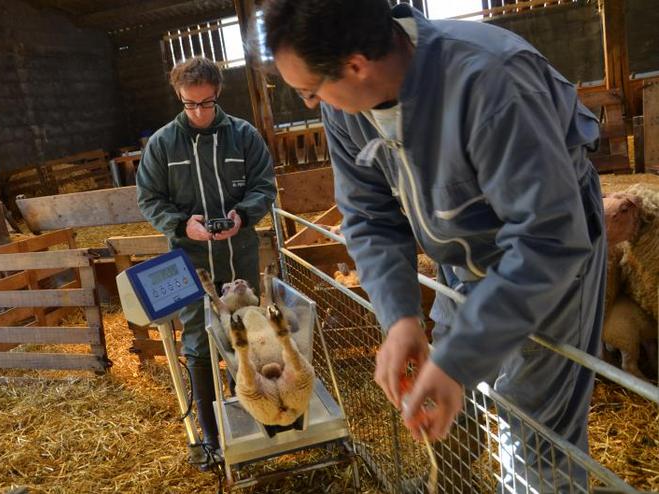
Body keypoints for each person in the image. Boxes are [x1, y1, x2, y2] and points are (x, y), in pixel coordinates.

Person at [263, 1, 605, 491]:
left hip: (547, 272)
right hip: (459, 261)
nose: (311, 104)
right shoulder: (349, 110)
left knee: (536, 431)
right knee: (440, 401)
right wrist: (399, 317)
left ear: (355, 65)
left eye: (310, 92)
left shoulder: (491, 80)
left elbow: (546, 237)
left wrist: (458, 360)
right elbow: (368, 216)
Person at [136, 56, 277, 467]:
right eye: (190, 104)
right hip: (188, 259)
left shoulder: (243, 136)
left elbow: (263, 185)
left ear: (218, 94)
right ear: (179, 97)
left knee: (243, 335)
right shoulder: (163, 144)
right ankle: (212, 438)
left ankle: (253, 421)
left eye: (206, 103)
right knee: (197, 340)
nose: (198, 112)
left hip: (239, 255)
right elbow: (149, 198)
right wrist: (182, 225)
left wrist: (244, 215)